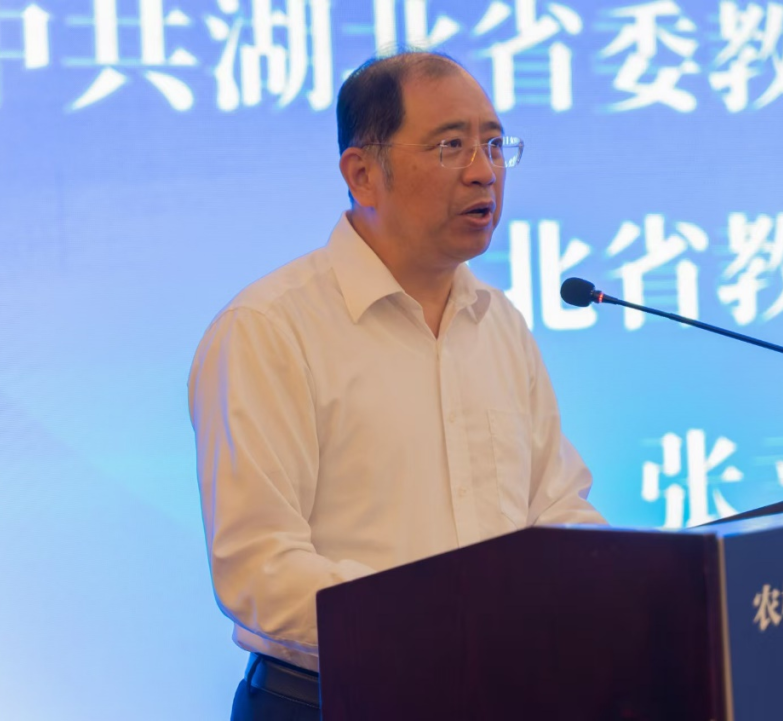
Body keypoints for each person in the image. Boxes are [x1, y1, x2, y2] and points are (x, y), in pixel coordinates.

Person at [188, 50, 607, 721]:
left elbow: (555, 507)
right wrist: (442, 625)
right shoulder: (270, 329)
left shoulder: (498, 322)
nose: (483, 170)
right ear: (362, 173)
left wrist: (617, 584)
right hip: (331, 702)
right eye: (450, 146)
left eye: (493, 144)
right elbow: (259, 566)